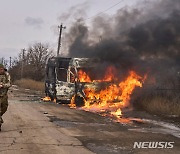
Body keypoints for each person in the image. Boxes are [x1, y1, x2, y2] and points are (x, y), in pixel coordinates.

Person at [0, 64, 11, 131]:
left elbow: (9, 84)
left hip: (4, 95)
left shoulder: (6, 75)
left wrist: (3, 85)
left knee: (4, 107)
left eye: (2, 69)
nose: (1, 70)